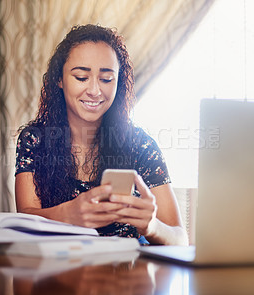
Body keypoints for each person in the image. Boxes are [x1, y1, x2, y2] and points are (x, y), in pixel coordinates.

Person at [15, 24, 188, 246]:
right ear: (59, 79)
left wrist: (151, 225)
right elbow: (23, 220)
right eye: (81, 77)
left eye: (106, 79)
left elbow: (180, 239)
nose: (95, 91)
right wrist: (67, 214)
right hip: (57, 272)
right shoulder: (34, 140)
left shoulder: (139, 145)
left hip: (127, 275)